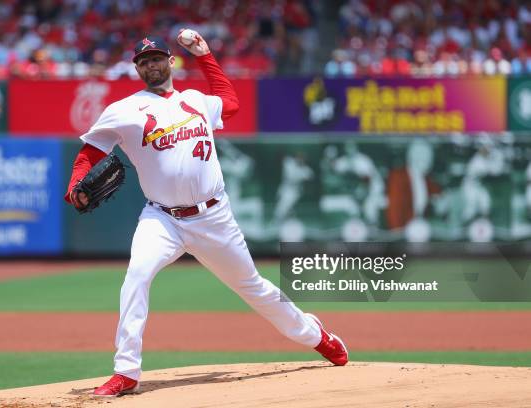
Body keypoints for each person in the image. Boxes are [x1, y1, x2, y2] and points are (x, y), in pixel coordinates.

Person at [64, 31, 348, 397]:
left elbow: (230, 103)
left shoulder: (195, 100)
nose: (151, 64)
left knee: (254, 287)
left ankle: (316, 336)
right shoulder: (124, 110)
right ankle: (126, 372)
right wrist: (74, 187)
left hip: (213, 217)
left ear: (170, 62)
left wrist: (205, 55)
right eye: (144, 60)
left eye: (157, 58)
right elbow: (90, 152)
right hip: (161, 219)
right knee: (136, 276)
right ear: (137, 69)